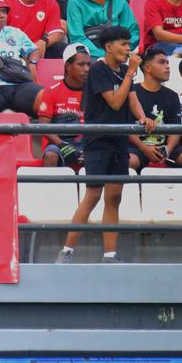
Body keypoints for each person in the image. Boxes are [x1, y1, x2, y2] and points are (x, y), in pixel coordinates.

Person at [56, 25, 154, 264]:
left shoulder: (123, 70)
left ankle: (109, 255)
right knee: (92, 195)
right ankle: (66, 252)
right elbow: (114, 101)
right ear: (109, 47)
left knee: (114, 197)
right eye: (123, 44)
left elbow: (131, 99)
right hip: (98, 141)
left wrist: (143, 118)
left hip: (119, 140)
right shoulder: (99, 69)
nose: (127, 48)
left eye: (128, 44)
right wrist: (131, 72)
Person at [129, 47, 181, 171]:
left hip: (165, 147)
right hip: (137, 147)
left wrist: (168, 149)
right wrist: (144, 148)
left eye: (168, 62)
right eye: (162, 62)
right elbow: (125, 128)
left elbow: (176, 129)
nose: (168, 66)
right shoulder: (132, 92)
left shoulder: (172, 95)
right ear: (148, 68)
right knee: (128, 162)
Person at [37, 42, 88, 168]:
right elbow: (44, 126)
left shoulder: (94, 93)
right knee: (51, 155)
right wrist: (63, 146)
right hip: (58, 143)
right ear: (68, 66)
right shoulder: (51, 91)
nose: (86, 69)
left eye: (88, 64)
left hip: (86, 142)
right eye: (81, 64)